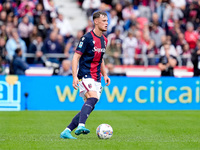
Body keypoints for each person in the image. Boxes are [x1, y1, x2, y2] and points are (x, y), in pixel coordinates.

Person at [60, 11, 110, 139]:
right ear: (96, 21)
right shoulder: (87, 38)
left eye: (107, 21)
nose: (106, 23)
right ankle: (81, 125)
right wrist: (74, 77)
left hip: (97, 78)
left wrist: (105, 75)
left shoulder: (104, 40)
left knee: (90, 105)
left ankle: (67, 131)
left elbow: (101, 59)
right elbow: (76, 57)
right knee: (92, 98)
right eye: (104, 21)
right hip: (85, 75)